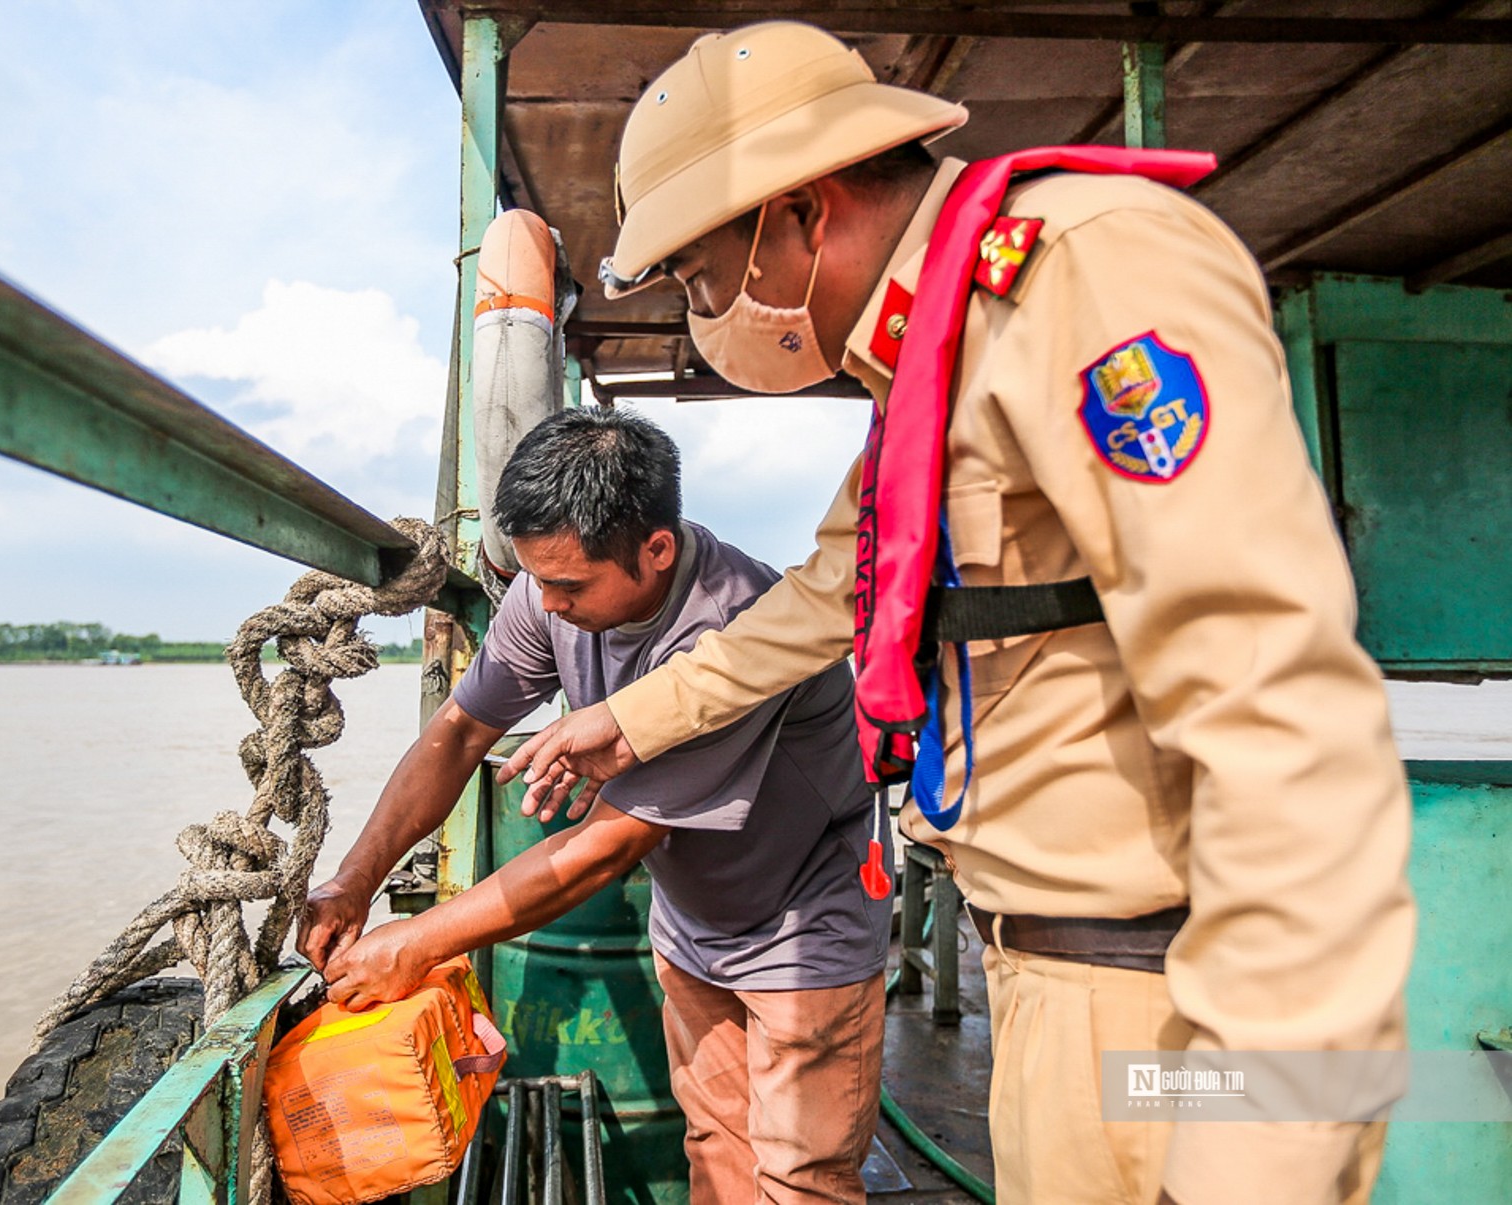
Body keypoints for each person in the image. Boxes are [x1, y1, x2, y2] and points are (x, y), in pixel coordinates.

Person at [501, 20, 1414, 1205]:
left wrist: (1266, 1145)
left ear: (799, 212)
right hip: (1050, 972)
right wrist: (624, 718)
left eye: (703, 272)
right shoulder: (926, 365)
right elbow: (825, 598)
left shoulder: (1084, 273)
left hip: (1166, 996)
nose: (707, 307)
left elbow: (1276, 708)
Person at [299, 406, 893, 1204]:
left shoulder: (734, 626)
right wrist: (355, 878)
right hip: (692, 921)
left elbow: (607, 846)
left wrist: (416, 943)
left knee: (799, 1173)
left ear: (656, 548)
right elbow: (462, 730)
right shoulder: (551, 593)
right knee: (716, 1142)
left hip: (802, 918)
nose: (543, 605)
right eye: (534, 577)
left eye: (567, 584)